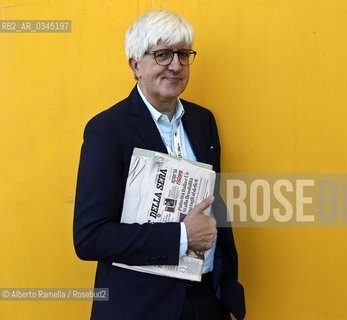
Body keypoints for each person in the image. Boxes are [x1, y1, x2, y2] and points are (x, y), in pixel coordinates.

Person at [73, 10, 246, 320]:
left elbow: (213, 203)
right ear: (135, 64)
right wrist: (182, 236)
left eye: (183, 54)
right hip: (143, 306)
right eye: (163, 54)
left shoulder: (203, 121)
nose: (176, 66)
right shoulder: (108, 130)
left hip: (206, 300)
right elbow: (90, 238)